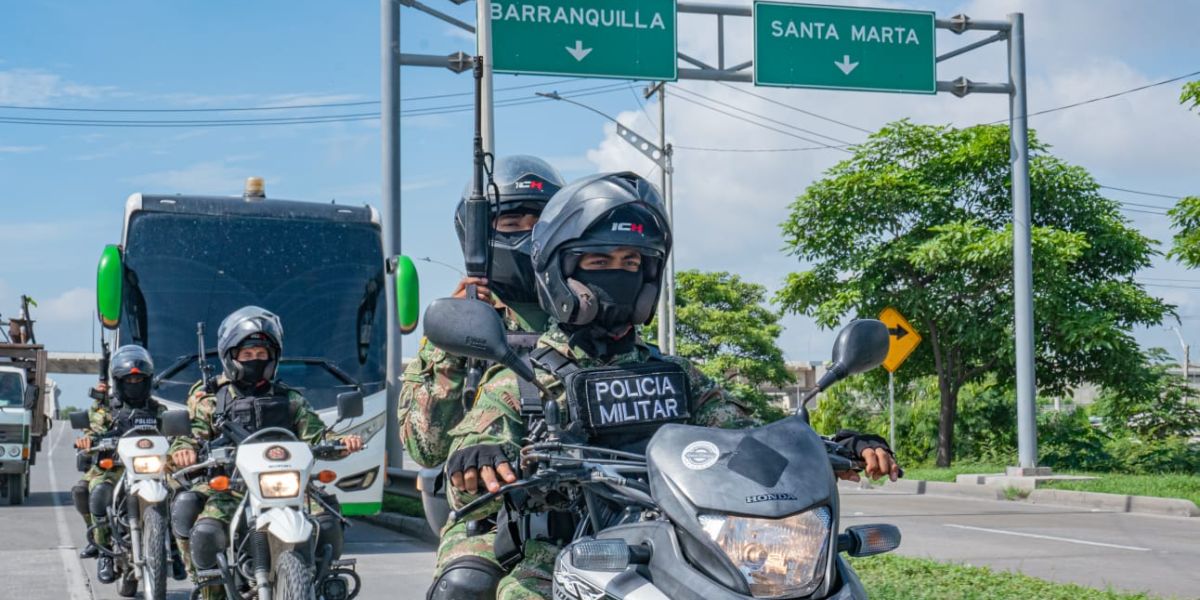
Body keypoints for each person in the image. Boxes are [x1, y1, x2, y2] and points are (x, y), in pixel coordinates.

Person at [429, 172, 901, 599]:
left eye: (631, 261)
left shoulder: (678, 376)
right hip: (566, 551)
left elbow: (748, 437)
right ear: (560, 274)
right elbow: (469, 467)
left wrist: (832, 448)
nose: (618, 272)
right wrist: (478, 457)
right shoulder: (527, 380)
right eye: (599, 259)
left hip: (683, 545)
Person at [168, 306, 364, 599]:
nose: (255, 361)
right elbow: (190, 435)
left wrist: (341, 442)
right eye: (247, 355)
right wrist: (185, 449)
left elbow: (316, 435)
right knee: (206, 531)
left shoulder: (288, 398)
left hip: (289, 488)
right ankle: (207, 584)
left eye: (262, 355)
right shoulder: (210, 398)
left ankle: (322, 581)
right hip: (232, 488)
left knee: (327, 521)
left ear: (273, 358)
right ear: (231, 357)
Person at [399, 155, 565, 469]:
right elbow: (425, 448)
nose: (528, 237)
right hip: (488, 498)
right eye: (512, 224)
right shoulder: (460, 319)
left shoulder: (582, 311)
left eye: (539, 226)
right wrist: (450, 345)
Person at [71, 345, 164, 584]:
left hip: (152, 468)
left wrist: (184, 444)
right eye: (128, 379)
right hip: (114, 466)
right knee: (94, 490)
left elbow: (178, 433)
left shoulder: (158, 409)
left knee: (182, 491)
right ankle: (103, 550)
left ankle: (172, 546)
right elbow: (93, 429)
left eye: (139, 378)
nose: (134, 382)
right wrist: (87, 439)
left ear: (148, 380)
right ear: (118, 381)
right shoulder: (106, 408)